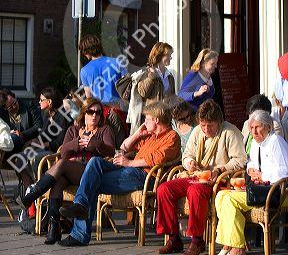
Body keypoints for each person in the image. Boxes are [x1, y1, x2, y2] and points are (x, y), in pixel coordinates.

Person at [57, 102, 181, 247]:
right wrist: (137, 134)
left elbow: (156, 159)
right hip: (129, 171)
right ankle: (80, 205)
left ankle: (79, 230)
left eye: (146, 119)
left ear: (156, 120)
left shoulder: (172, 137)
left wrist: (129, 163)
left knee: (91, 182)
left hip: (144, 177)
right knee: (95, 162)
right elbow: (123, 147)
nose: (144, 122)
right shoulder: (150, 136)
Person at [157, 99, 247, 255]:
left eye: (210, 125)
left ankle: (197, 240)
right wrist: (189, 162)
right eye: (203, 125)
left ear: (219, 121)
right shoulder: (198, 131)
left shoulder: (230, 132)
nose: (205, 129)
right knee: (164, 189)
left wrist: (221, 169)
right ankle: (173, 238)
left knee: (195, 191)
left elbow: (240, 160)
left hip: (219, 180)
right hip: (196, 176)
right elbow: (186, 155)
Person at [20, 97, 115, 244]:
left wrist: (95, 144)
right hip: (69, 171)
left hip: (89, 173)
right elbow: (63, 151)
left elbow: (110, 152)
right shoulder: (73, 130)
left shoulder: (105, 130)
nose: (94, 115)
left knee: (62, 164)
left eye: (98, 112)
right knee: (57, 182)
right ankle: (54, 228)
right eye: (91, 111)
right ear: (84, 113)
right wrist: (77, 143)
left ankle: (32, 194)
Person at [215, 109, 288, 255]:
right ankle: (229, 244)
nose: (253, 132)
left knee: (229, 199)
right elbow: (252, 163)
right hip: (261, 190)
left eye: (257, 127)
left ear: (267, 126)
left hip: (277, 193)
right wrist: (251, 170)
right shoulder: (256, 143)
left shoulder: (276, 141)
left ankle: (236, 247)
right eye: (251, 128)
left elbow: (285, 172)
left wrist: (263, 175)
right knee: (221, 196)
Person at [15, 87, 72, 191]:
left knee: (35, 158)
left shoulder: (62, 115)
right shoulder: (46, 114)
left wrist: (44, 144)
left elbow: (61, 142)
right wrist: (32, 141)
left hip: (55, 152)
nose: (39, 102)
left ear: (49, 101)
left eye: (42, 100)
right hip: (43, 148)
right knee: (19, 159)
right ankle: (30, 192)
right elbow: (43, 134)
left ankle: (38, 191)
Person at [78, 34, 126, 105]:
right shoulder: (117, 62)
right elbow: (126, 86)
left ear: (86, 50)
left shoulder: (84, 71)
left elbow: (89, 97)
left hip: (98, 111)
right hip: (118, 109)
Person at [0, 88, 42, 156]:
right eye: (10, 107)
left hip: (27, 140)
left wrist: (23, 134)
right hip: (10, 143)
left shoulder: (29, 105)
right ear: (5, 108)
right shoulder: (2, 113)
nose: (14, 107)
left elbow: (38, 126)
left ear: (14, 97)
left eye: (15, 103)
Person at [137, 42, 175, 106]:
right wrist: (151, 76)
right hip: (152, 114)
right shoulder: (147, 72)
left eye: (170, 55)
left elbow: (173, 96)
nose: (170, 58)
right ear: (159, 55)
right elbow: (143, 93)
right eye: (168, 55)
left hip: (167, 113)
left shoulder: (169, 75)